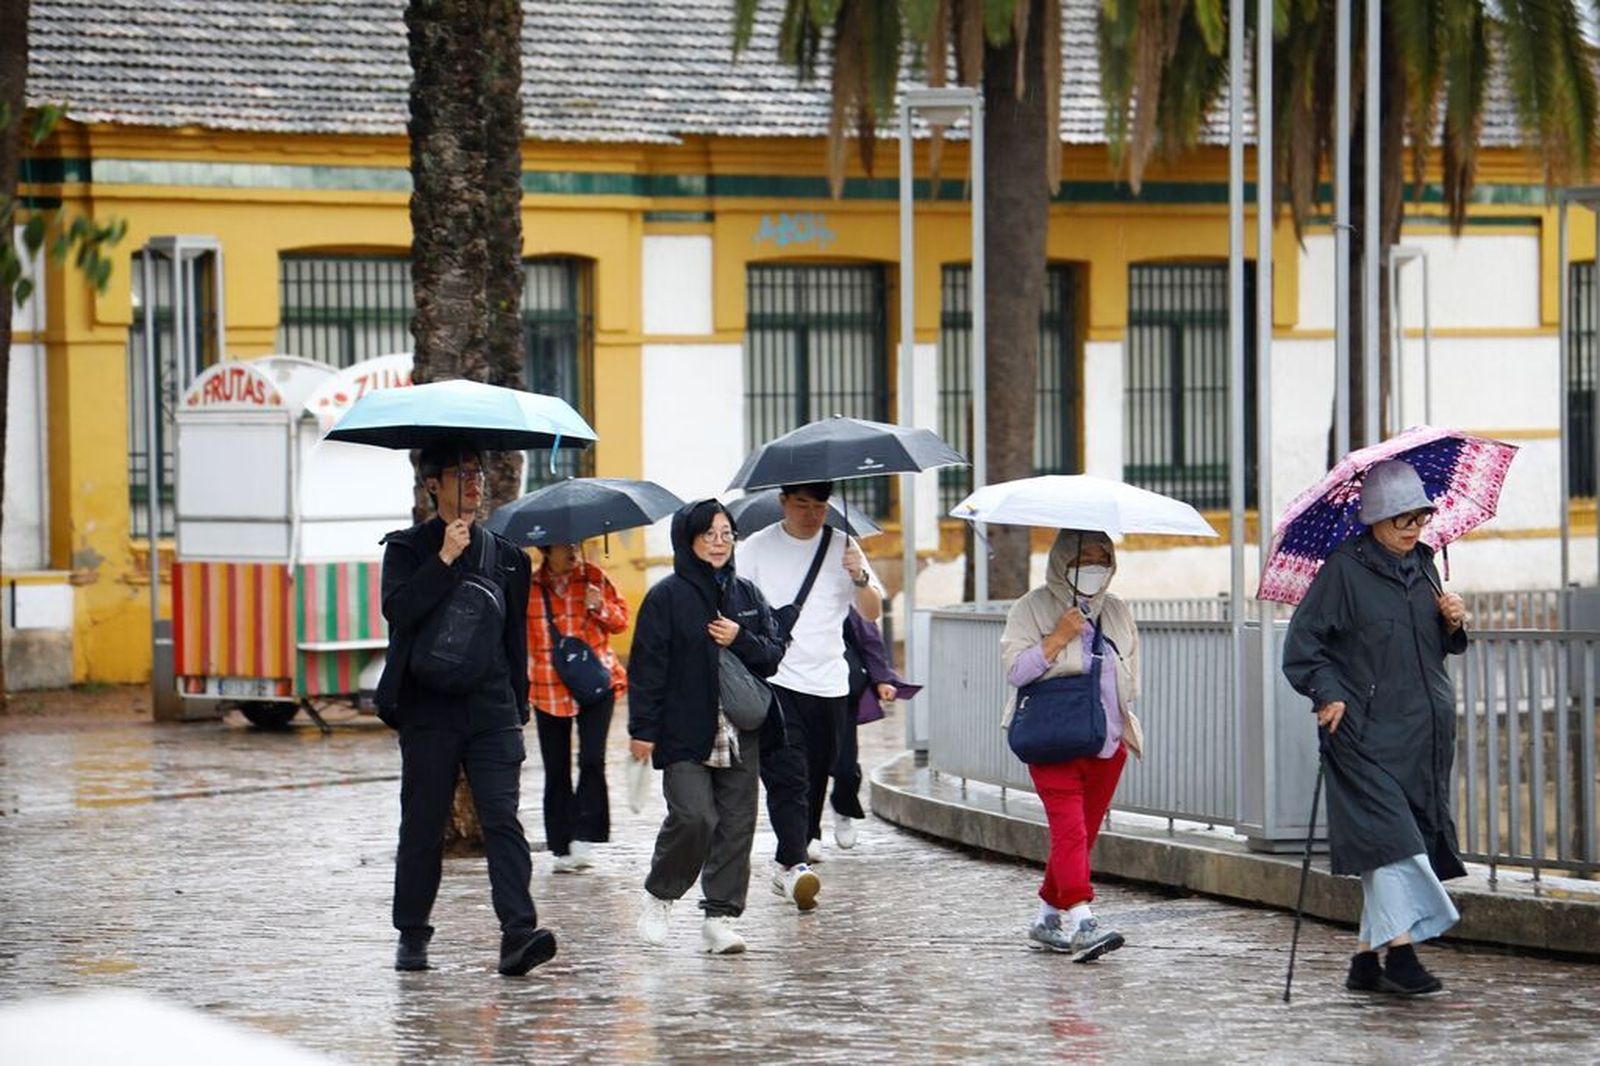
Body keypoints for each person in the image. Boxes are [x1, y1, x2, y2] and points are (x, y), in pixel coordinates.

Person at [1282, 458, 1470, 996]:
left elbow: (1435, 647)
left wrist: (1453, 623)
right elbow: (1303, 648)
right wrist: (1328, 692)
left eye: (1420, 516)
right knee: (1394, 846)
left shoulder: (1428, 566)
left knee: (1392, 846)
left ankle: (1365, 962)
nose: (1414, 527)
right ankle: (1403, 955)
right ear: (1374, 520)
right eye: (1401, 519)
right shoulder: (1343, 570)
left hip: (1422, 736)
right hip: (1361, 734)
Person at [374, 441, 556, 977]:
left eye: (477, 472)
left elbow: (512, 639)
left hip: (491, 708)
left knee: (502, 819)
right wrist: (444, 560)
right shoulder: (408, 549)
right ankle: (412, 932)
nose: (474, 482)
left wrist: (518, 703)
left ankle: (518, 934)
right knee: (423, 824)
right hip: (428, 708)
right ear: (432, 485)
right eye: (459, 473)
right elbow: (399, 613)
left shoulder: (509, 556)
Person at [627, 499, 787, 954]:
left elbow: (772, 657)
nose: (719, 543)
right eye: (708, 534)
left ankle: (720, 917)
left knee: (737, 825)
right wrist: (643, 729)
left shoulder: (747, 596)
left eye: (726, 534)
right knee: (694, 816)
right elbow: (647, 668)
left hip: (741, 729)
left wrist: (742, 637)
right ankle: (661, 894)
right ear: (688, 540)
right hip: (684, 729)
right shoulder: (666, 597)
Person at [738, 481, 884, 908]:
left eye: (819, 505)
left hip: (830, 682)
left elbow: (872, 612)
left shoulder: (844, 546)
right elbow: (732, 599)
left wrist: (858, 576)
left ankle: (791, 858)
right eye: (801, 504)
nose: (811, 513)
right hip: (776, 678)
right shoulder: (758, 547)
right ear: (783, 503)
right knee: (788, 772)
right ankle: (795, 864)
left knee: (818, 772)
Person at [1000, 529, 1142, 962]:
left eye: (1103, 557)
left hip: (1105, 743)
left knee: (1079, 836)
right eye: (1085, 557)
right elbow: (1015, 670)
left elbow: (1129, 671)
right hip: (1051, 738)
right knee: (1070, 830)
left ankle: (1046, 918)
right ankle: (1083, 920)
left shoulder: (1116, 611)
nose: (1094, 566)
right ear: (1062, 560)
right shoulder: (1032, 607)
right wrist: (1059, 637)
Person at [526, 540, 629, 874]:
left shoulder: (594, 577)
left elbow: (621, 622)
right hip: (548, 687)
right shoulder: (529, 588)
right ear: (545, 550)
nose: (572, 551)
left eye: (575, 545)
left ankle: (585, 838)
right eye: (563, 546)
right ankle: (560, 845)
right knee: (556, 769)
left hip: (596, 683)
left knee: (591, 760)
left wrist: (599, 607)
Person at [837, 605, 907, 838]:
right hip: (794, 691)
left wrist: (882, 679)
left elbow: (869, 638)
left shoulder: (845, 593)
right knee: (801, 767)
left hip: (841, 692)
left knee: (845, 766)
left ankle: (843, 807)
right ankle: (808, 833)